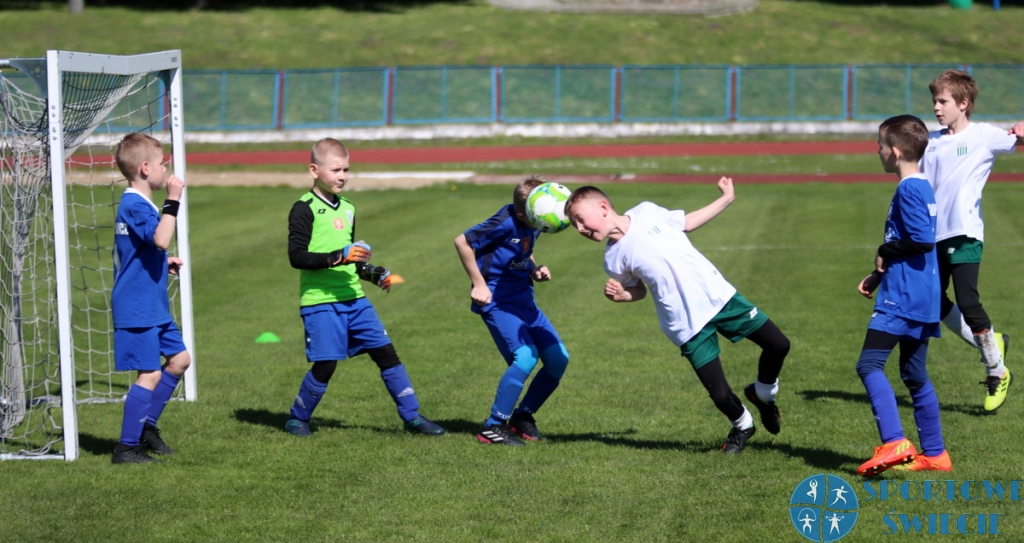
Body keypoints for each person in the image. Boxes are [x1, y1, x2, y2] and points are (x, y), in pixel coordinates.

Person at [564, 178, 790, 454]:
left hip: (718, 298)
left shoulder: (647, 211)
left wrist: (726, 199)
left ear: (602, 207)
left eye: (580, 219)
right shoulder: (612, 258)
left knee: (779, 344)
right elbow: (639, 291)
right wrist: (624, 296)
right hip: (684, 322)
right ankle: (743, 425)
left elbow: (688, 222)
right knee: (719, 394)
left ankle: (763, 394)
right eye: (575, 224)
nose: (579, 228)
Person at [282, 138, 444, 437]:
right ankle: (298, 418)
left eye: (347, 169)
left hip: (355, 299)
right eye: (336, 170)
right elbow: (297, 257)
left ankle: (413, 417)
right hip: (320, 301)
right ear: (314, 170)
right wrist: (338, 256)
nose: (342, 176)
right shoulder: (303, 209)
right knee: (326, 366)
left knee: (387, 355)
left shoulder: (348, 208)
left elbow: (352, 259)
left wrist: (373, 272)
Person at [922, 69, 1024, 411]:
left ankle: (997, 371)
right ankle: (994, 343)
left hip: (965, 232)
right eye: (934, 100)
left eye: (943, 101)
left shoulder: (984, 135)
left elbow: (1018, 140)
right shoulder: (932, 142)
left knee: (967, 300)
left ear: (963, 104)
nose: (936, 107)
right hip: (933, 236)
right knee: (932, 303)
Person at [854, 115, 949, 475]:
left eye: (879, 146)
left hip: (904, 298)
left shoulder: (908, 189)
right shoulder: (923, 186)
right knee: (914, 372)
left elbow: (921, 239)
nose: (876, 152)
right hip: (922, 293)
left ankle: (894, 442)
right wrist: (880, 272)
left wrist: (885, 249)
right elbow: (913, 244)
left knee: (868, 365)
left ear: (894, 152)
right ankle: (936, 455)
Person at [454, 176, 570, 447]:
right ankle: (493, 426)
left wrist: (534, 269)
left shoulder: (536, 220)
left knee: (558, 358)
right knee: (526, 357)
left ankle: (522, 416)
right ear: (522, 213)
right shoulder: (504, 222)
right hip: (497, 302)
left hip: (525, 302)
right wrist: (479, 284)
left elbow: (523, 248)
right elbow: (462, 242)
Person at [110, 132, 192, 464]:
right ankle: (126, 447)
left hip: (152, 303)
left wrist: (163, 263)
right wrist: (173, 200)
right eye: (162, 163)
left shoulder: (139, 204)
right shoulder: (133, 203)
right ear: (145, 168)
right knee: (150, 374)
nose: (166, 168)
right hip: (137, 305)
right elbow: (160, 238)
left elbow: (146, 249)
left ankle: (147, 428)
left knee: (180, 360)